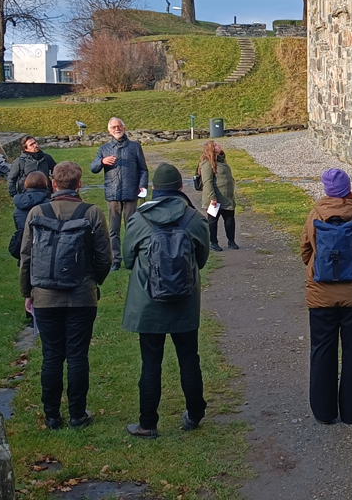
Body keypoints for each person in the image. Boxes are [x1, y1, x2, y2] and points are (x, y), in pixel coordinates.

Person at [20, 161, 111, 429]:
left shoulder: (37, 211)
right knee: (77, 355)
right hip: (81, 294)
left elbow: (26, 255)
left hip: (45, 295)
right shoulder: (92, 213)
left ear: (53, 184)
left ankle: (51, 415)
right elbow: (104, 257)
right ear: (80, 184)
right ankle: (77, 413)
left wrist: (28, 292)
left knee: (51, 355)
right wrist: (94, 282)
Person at [122, 163, 210, 438]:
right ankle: (195, 414)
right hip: (184, 300)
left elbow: (127, 259)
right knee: (189, 358)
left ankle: (148, 423)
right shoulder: (194, 219)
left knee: (150, 362)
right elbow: (202, 259)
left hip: (148, 303)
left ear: (154, 190)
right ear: (180, 188)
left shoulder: (139, 219)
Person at [301, 168, 352, 425]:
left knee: (322, 350)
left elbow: (305, 252)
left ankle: (324, 412)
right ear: (348, 188)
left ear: (326, 189)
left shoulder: (314, 216)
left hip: (321, 294)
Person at [90, 117, 148, 271]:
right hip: (113, 193)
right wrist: (102, 162)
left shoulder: (135, 147)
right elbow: (93, 167)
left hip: (131, 192)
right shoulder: (104, 149)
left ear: (124, 127)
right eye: (114, 127)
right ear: (109, 130)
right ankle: (115, 260)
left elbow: (143, 169)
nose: (117, 129)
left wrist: (142, 185)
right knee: (113, 229)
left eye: (119, 126)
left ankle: (132, 257)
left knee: (131, 227)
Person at [199, 141, 237, 252]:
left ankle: (231, 241)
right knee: (213, 221)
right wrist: (212, 198)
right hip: (214, 199)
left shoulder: (221, 161)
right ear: (210, 149)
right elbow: (207, 182)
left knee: (230, 219)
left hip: (227, 198)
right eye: (215, 145)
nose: (218, 145)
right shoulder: (207, 164)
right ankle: (213, 243)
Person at [11, 171, 52, 261]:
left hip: (24, 243)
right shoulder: (51, 205)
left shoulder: (19, 206)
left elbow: (18, 225)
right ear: (46, 183)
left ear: (26, 184)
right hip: (46, 243)